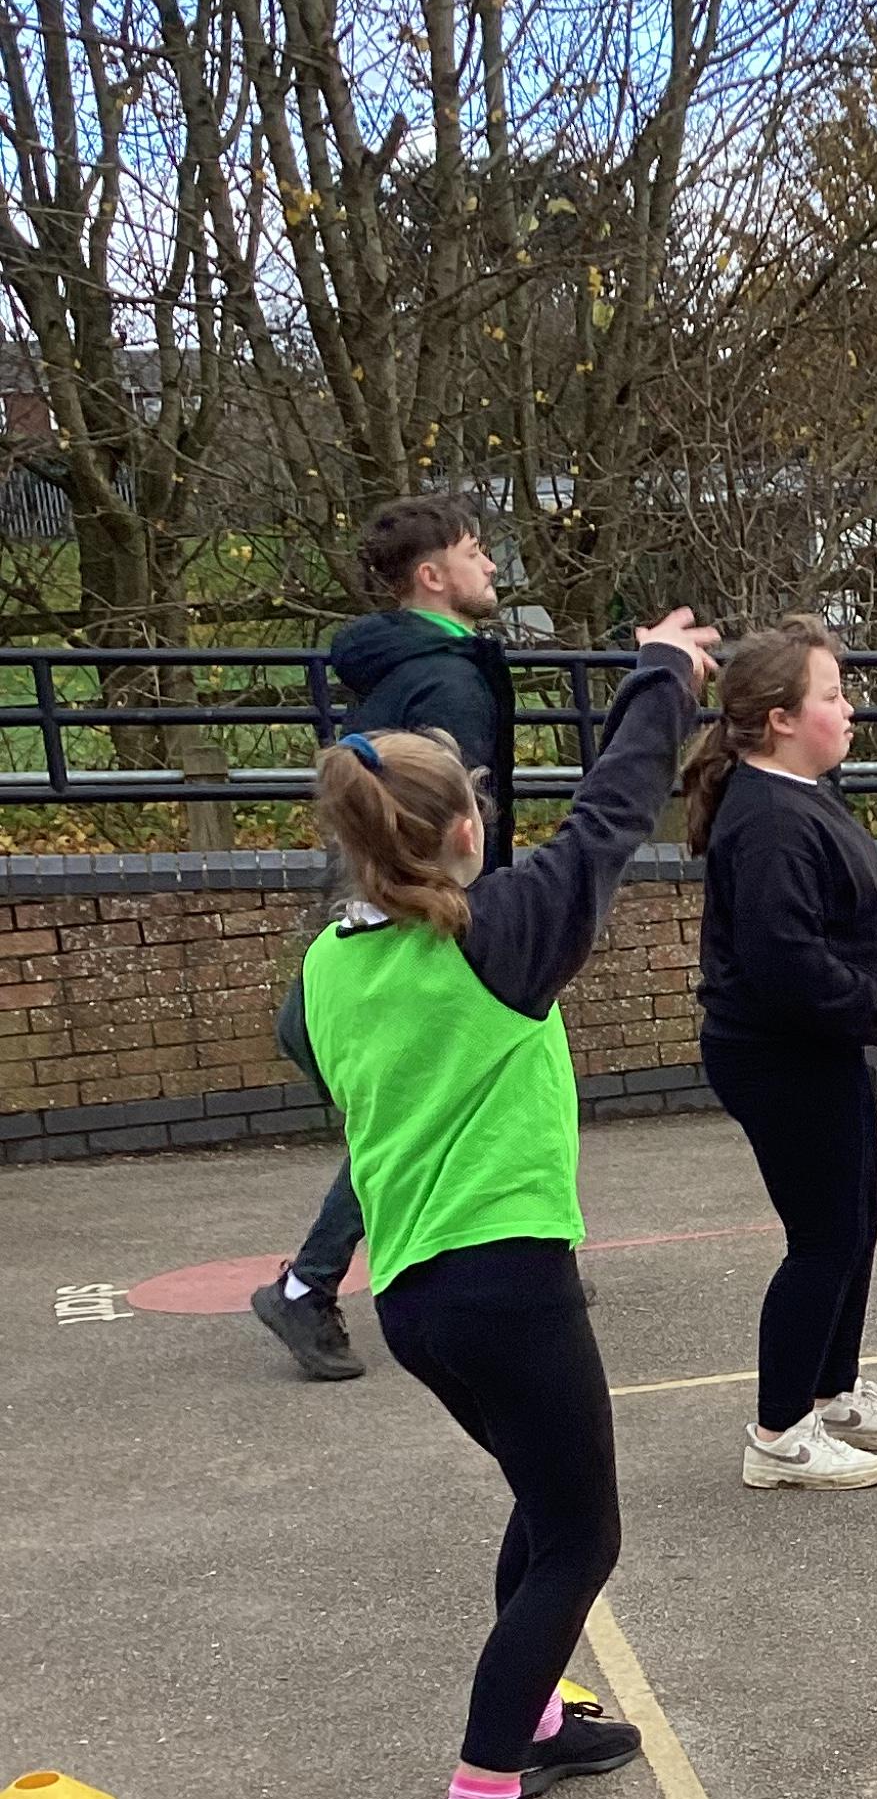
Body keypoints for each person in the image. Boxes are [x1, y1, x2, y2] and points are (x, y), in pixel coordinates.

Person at [276, 604, 719, 1799]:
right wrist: (661, 674)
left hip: (416, 1296)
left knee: (543, 1495)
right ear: (465, 828)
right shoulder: (497, 939)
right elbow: (611, 812)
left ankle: (528, 1720)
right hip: (506, 1283)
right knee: (580, 1538)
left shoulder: (326, 968)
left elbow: (323, 1060)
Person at [685, 618, 877, 1491]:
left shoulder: (805, 793)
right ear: (780, 718)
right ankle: (778, 1434)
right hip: (777, 1053)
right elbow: (787, 963)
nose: (849, 709)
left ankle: (831, 1391)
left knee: (856, 1218)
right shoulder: (769, 819)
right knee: (822, 1237)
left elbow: (852, 927)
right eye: (832, 695)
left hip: (816, 1045)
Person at [252, 495, 522, 1382]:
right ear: (432, 576)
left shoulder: (397, 668)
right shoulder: (447, 682)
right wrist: (472, 917)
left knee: (428, 1110)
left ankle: (525, 1247)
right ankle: (306, 1286)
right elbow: (449, 817)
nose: (491, 565)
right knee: (420, 1112)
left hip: (367, 923)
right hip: (415, 931)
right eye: (475, 552)